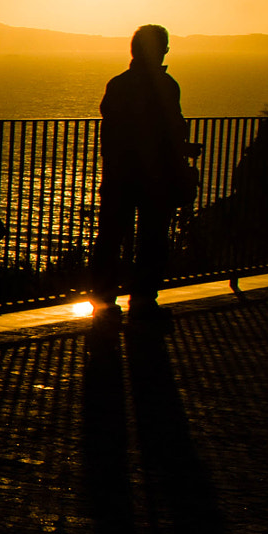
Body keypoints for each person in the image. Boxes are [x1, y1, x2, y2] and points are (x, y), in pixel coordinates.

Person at [96, 24, 201, 332]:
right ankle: (143, 302)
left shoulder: (118, 84)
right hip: (156, 178)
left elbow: (114, 130)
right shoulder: (166, 85)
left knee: (110, 239)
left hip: (119, 175)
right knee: (152, 239)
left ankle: (103, 303)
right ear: (161, 50)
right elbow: (169, 128)